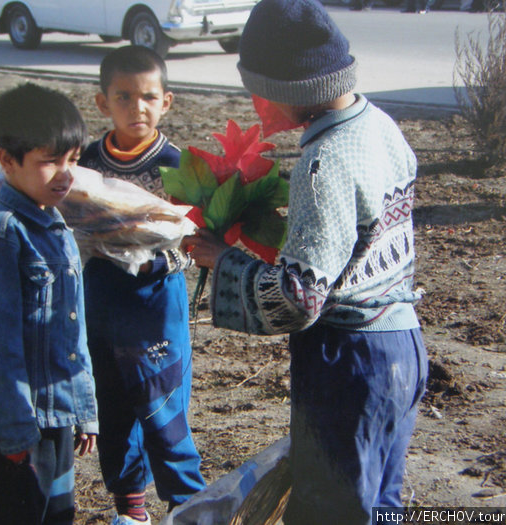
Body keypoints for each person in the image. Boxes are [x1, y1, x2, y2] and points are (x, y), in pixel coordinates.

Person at [183, 1, 428, 524]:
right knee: (381, 504)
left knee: (333, 510)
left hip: (350, 364)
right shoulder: (380, 126)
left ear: (293, 88)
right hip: (403, 348)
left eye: (258, 89)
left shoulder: (324, 162)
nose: (254, 104)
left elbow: (299, 298)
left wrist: (225, 261)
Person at [0, 83, 99, 525]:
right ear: (6, 161)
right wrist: (15, 431)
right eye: (49, 161)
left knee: (57, 515)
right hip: (12, 429)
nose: (64, 173)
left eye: (72, 160)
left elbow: (74, 330)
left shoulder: (54, 225)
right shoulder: (0, 238)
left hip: (54, 418)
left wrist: (85, 409)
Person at [80, 45, 206, 525]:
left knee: (162, 401)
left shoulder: (179, 165)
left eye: (149, 97)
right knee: (111, 402)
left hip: (156, 298)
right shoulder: (88, 161)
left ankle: (186, 504)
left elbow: (196, 233)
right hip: (101, 292)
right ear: (102, 103)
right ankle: (130, 507)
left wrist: (167, 250)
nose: (138, 108)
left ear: (167, 101)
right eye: (124, 97)